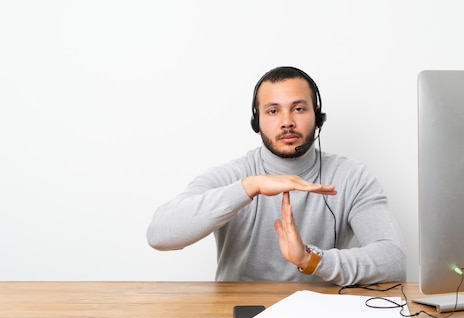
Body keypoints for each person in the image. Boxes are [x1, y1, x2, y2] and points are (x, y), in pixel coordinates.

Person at [146, 66, 406, 286]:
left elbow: (393, 259)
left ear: (318, 117)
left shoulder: (352, 176)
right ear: (256, 122)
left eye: (299, 109)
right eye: (273, 111)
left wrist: (311, 260)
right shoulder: (234, 175)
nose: (286, 122)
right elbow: (159, 234)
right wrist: (250, 187)